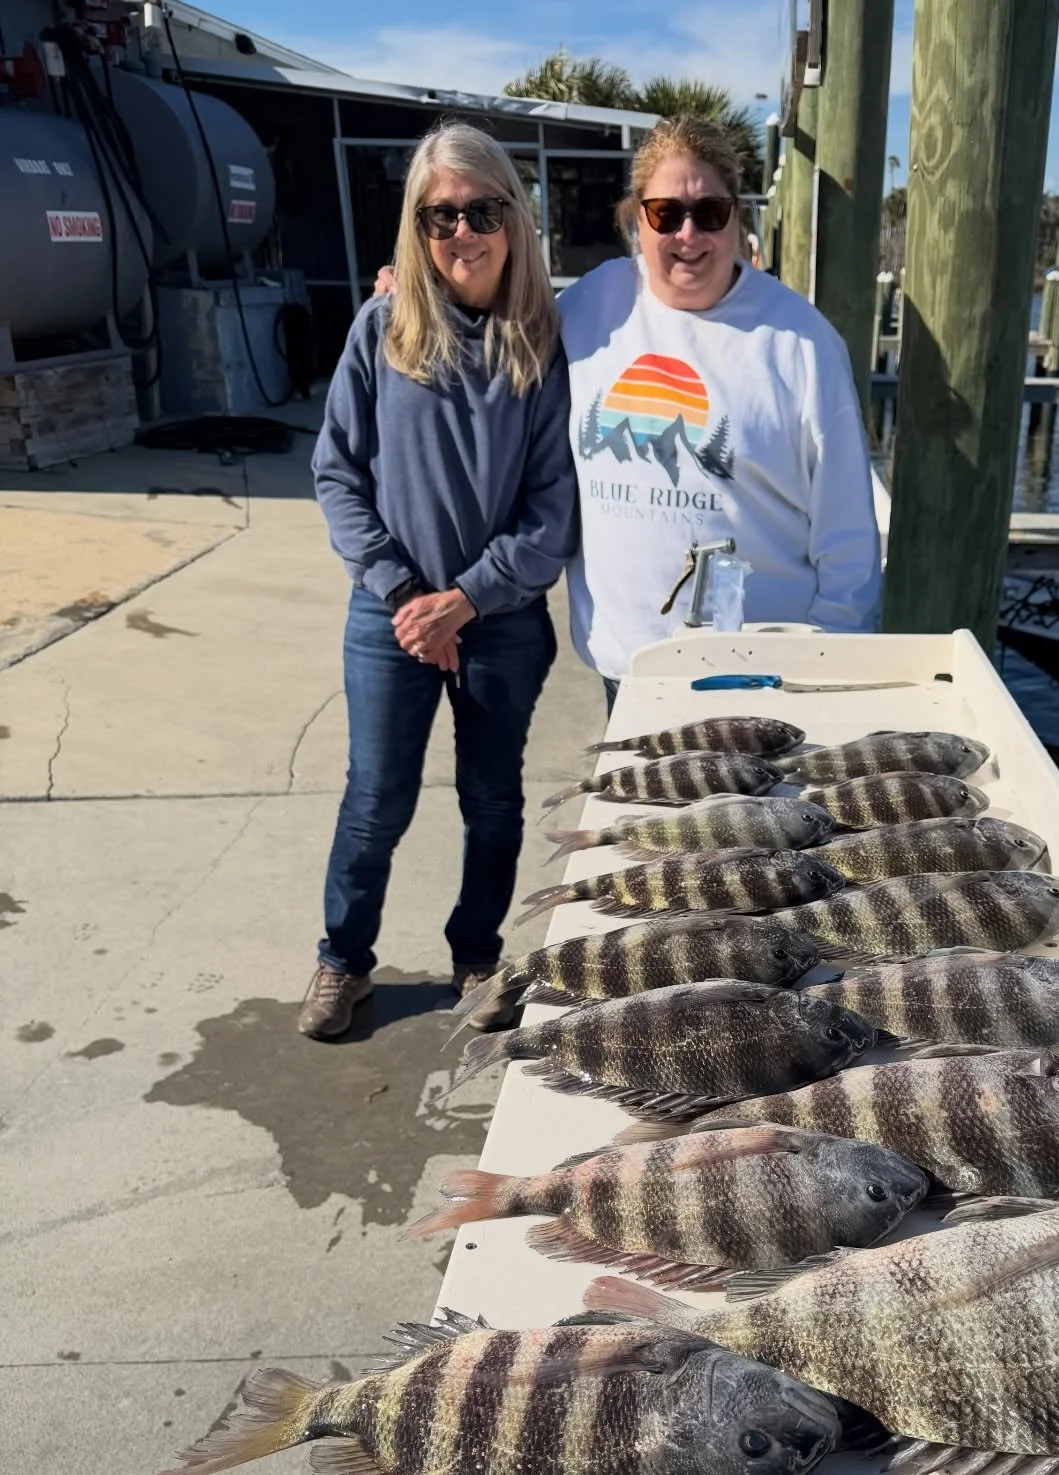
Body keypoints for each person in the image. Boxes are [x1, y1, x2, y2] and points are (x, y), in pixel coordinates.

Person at [302, 122, 578, 1039]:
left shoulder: (543, 345)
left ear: (513, 215)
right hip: (390, 618)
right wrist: (403, 596)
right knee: (375, 800)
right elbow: (338, 472)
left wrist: (465, 599)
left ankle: (476, 956)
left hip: (497, 621)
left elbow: (551, 513)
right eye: (439, 216)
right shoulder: (382, 329)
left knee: (492, 800)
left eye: (481, 210)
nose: (462, 231)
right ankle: (344, 959)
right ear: (416, 230)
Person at [558, 116, 882, 702]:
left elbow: (849, 538)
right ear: (636, 216)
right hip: (629, 674)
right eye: (665, 214)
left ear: (737, 215)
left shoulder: (803, 344)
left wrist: (835, 669)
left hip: (761, 679)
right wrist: (413, 296)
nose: (688, 234)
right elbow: (490, 336)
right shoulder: (584, 309)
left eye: (710, 212)